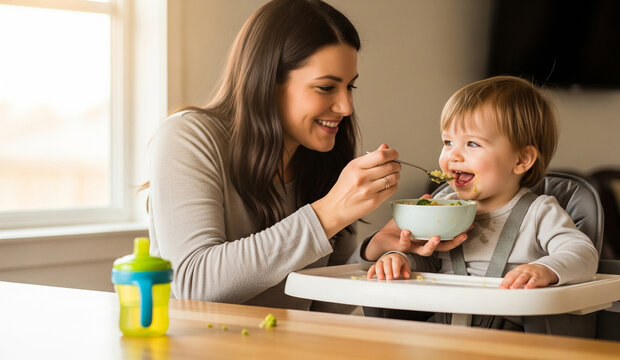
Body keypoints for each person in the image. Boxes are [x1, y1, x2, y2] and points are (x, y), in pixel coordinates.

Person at [145, 0, 465, 312]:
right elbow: (193, 283)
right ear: (268, 82)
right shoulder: (188, 137)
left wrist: (370, 252)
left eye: (349, 87)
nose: (346, 107)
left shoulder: (324, 157)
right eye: (326, 87)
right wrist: (328, 213)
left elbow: (320, 308)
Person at [365, 76, 598, 326]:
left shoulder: (539, 212)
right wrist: (402, 260)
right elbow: (430, 259)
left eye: (472, 143)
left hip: (508, 332)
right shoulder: (441, 205)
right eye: (448, 142)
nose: (452, 155)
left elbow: (583, 254)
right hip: (441, 325)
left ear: (521, 160)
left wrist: (546, 270)